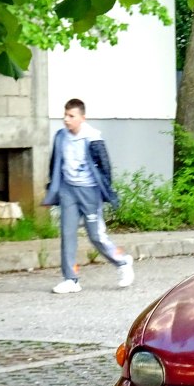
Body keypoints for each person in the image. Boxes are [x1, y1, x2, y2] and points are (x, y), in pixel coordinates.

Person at [43, 98, 134, 293]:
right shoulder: (60, 136)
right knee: (67, 235)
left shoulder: (93, 137)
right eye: (65, 115)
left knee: (96, 236)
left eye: (71, 116)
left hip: (89, 191)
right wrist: (53, 187)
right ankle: (71, 279)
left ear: (82, 118)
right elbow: (54, 163)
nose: (66, 120)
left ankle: (123, 262)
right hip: (68, 190)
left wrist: (105, 192)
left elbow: (105, 166)